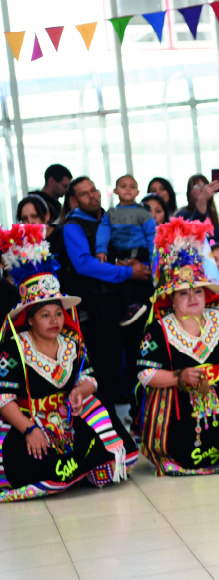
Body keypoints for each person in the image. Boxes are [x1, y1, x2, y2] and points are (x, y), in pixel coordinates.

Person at [0, 224, 137, 502]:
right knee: (28, 462)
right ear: (29, 318)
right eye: (45, 315)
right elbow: (3, 398)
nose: (55, 321)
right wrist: (30, 429)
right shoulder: (15, 348)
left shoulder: (71, 341)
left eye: (58, 313)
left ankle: (79, 467)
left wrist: (80, 392)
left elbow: (89, 378)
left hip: (67, 417)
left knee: (103, 419)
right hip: (29, 421)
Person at [137, 218, 219, 475]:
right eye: (183, 293)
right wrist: (179, 376)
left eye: (198, 292)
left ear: (206, 295)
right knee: (181, 452)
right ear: (171, 299)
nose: (192, 298)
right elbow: (145, 374)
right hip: (175, 397)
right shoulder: (159, 329)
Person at [59, 177, 152, 411]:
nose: (93, 196)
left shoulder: (113, 215)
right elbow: (84, 265)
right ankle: (108, 429)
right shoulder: (73, 226)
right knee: (106, 370)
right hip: (99, 305)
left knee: (138, 362)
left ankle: (141, 421)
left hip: (133, 299)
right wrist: (127, 272)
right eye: (84, 193)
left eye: (94, 190)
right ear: (74, 200)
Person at [95, 175, 157, 326]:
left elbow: (152, 236)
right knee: (118, 273)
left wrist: (153, 259)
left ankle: (137, 305)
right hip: (121, 252)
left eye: (132, 186)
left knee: (133, 276)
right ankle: (133, 304)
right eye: (123, 186)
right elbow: (103, 231)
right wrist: (101, 249)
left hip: (138, 250)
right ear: (115, 191)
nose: (128, 189)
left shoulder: (143, 213)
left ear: (138, 192)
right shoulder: (110, 213)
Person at [175, 174, 219, 243]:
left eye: (205, 186)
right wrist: (203, 199)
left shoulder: (211, 213)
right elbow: (192, 229)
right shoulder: (183, 213)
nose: (202, 189)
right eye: (197, 186)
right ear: (189, 193)